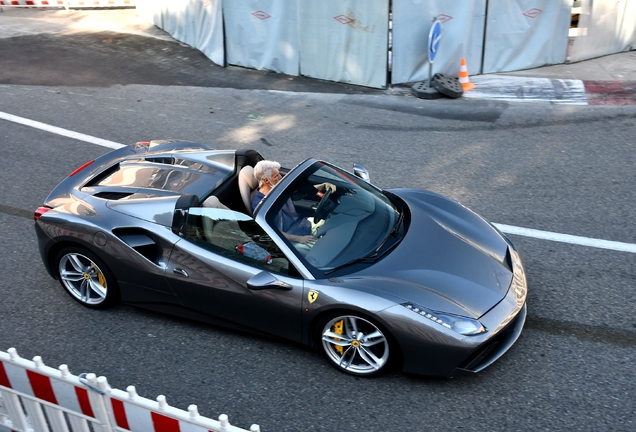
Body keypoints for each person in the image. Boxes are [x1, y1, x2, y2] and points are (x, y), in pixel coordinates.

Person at [252, 160, 332, 245]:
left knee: (332, 226)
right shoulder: (259, 204)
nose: (280, 177)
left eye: (279, 174)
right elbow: (271, 231)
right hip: (294, 238)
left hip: (304, 224)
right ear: (266, 181)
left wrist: (322, 186)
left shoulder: (278, 188)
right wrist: (299, 239)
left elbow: (300, 192)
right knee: (325, 246)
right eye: (276, 176)